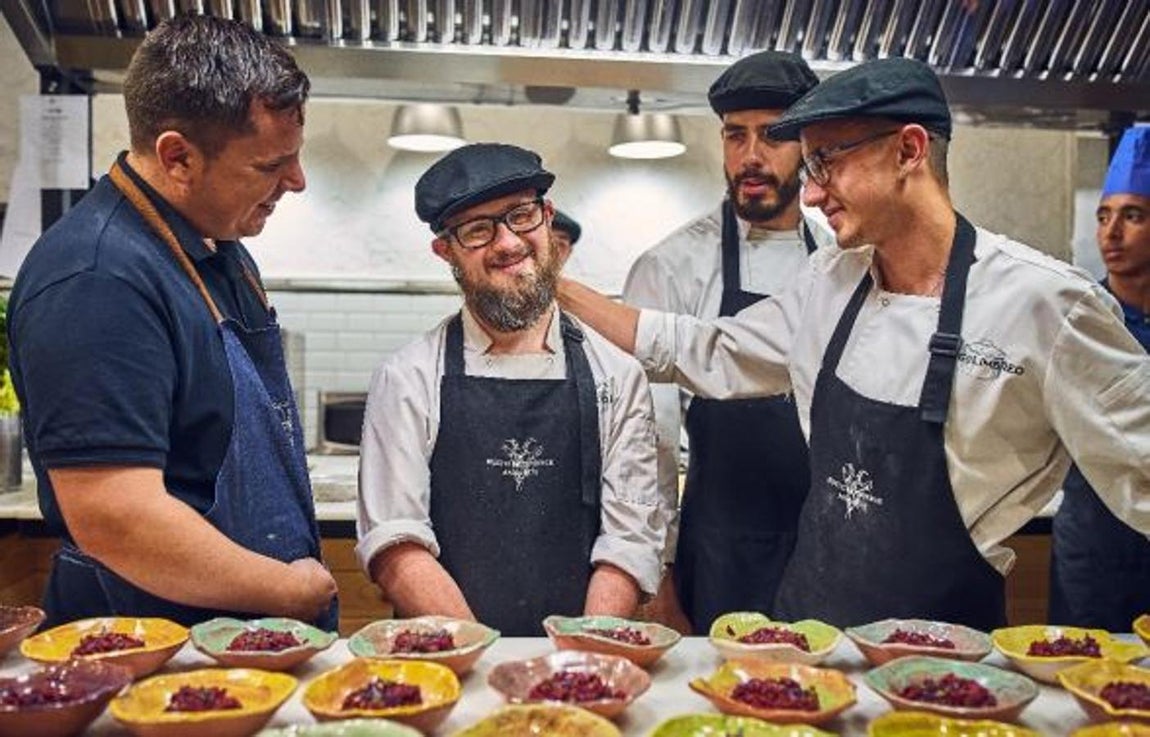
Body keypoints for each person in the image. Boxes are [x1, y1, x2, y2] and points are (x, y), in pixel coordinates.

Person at [560, 57, 1150, 629]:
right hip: (811, 631)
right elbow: (709, 349)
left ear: (909, 151)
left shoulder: (1046, 304)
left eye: (827, 163)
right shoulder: (832, 280)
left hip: (945, 650)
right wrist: (553, 285)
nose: (811, 195)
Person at [7, 15, 338, 629]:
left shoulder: (215, 248)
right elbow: (115, 517)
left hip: (237, 642)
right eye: (270, 166)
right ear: (178, 156)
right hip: (154, 651)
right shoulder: (97, 278)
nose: (296, 182)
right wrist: (288, 592)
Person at [356, 143, 670, 636]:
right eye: (478, 230)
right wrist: (480, 655)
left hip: (583, 659)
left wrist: (577, 661)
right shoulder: (408, 378)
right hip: (451, 660)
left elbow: (629, 543)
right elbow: (397, 543)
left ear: (547, 219)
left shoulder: (618, 375)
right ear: (446, 251)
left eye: (521, 216)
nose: (507, 243)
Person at [623, 50, 819, 634]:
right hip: (717, 556)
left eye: (772, 136)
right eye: (736, 136)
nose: (751, 157)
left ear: (810, 143)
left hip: (828, 554)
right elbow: (643, 440)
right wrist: (656, 581)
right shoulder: (672, 266)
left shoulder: (843, 260)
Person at [1049, 126, 1150, 630]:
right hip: (1093, 537)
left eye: (1133, 216)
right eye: (1104, 217)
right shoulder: (1081, 319)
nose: (1111, 234)